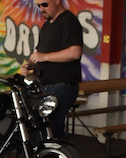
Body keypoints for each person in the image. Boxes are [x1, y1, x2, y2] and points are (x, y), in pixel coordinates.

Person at [21, 0, 83, 138]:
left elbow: (74, 52)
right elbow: (39, 53)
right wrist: (30, 65)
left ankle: (58, 157)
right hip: (45, 86)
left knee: (51, 128)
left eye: (44, 4)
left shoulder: (68, 21)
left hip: (61, 85)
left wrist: (44, 57)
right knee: (41, 128)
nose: (41, 9)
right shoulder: (47, 25)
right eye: (38, 6)